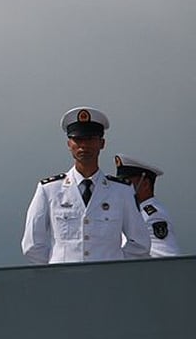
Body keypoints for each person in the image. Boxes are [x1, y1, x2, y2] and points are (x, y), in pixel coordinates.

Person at [21, 107, 151, 264]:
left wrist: (114, 267)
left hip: (108, 283)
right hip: (64, 282)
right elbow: (32, 245)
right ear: (69, 144)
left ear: (102, 143)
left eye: (90, 139)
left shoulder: (121, 191)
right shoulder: (49, 190)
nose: (84, 146)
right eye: (78, 140)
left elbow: (140, 244)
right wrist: (57, 271)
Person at [114, 154, 181, 257]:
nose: (122, 187)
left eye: (126, 182)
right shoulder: (131, 211)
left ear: (145, 184)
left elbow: (165, 259)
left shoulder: (153, 216)